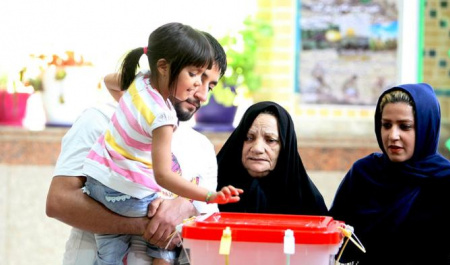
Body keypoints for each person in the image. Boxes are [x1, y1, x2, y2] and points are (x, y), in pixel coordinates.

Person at [46, 29, 229, 265]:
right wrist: (144, 226)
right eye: (196, 76)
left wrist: (184, 206)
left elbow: (208, 224)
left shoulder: (201, 147)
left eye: (210, 85)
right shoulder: (99, 119)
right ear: (167, 67)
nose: (202, 94)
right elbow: (58, 203)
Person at [330, 83, 450, 264]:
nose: (393, 135)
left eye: (405, 126)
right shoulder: (364, 173)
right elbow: (335, 238)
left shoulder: (445, 181)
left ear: (427, 128)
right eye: (386, 125)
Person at [216, 101, 328, 215]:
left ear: (285, 148)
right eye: (249, 138)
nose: (257, 149)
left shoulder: (306, 199)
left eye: (270, 140)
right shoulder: (212, 188)